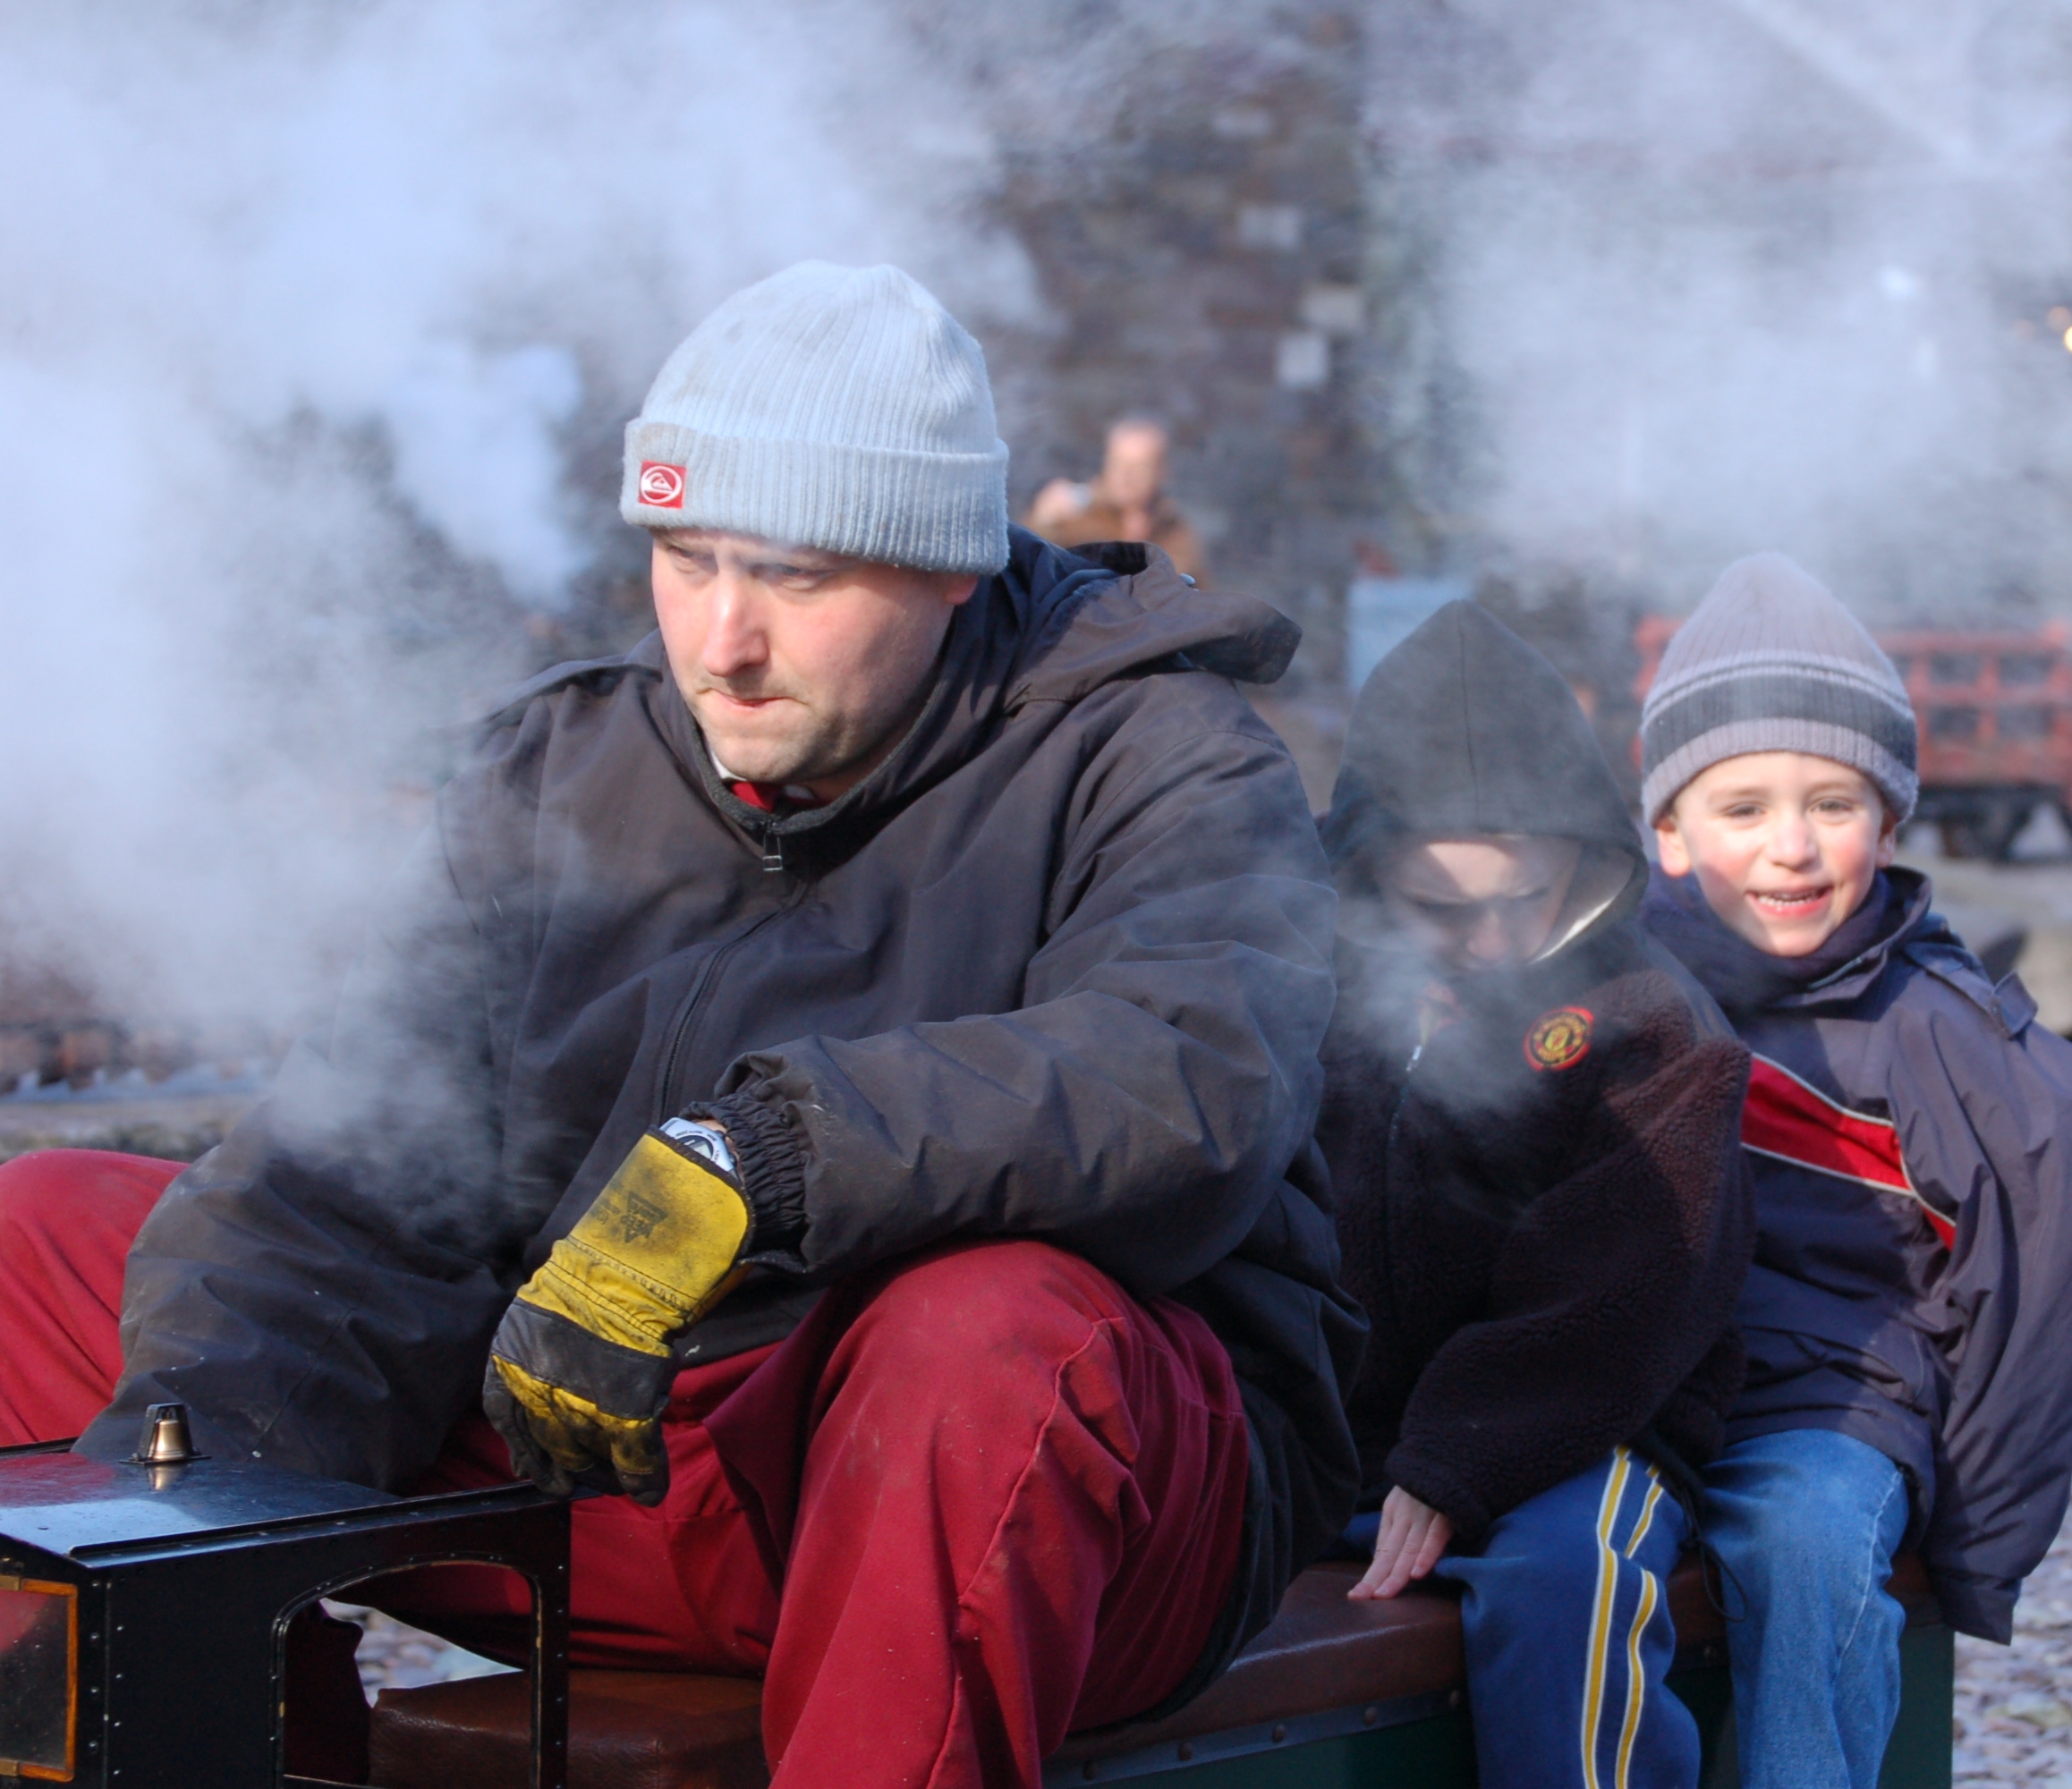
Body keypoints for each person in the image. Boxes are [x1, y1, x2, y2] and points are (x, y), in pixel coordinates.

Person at [0, 262, 1363, 1789]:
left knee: (990, 1332)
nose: (720, 642)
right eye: (686, 557)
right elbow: (361, 1181)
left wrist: (762, 1158)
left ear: (949, 566)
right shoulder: (557, 767)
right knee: (40, 1235)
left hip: (1022, 1509)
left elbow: (1193, 1080)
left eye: (790, 577)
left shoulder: (1163, 754)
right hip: (604, 1444)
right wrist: (184, 1496)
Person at [1636, 554, 2072, 1789]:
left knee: (1805, 1538)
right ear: (1669, 834)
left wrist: (1976, 1555)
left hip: (1828, 1403)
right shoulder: (1611, 995)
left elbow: (2030, 1306)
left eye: (1833, 804)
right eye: (1742, 809)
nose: (1791, 847)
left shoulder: (1949, 1037)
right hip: (1621, 1381)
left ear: (1889, 822)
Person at [1314, 599, 1754, 1789]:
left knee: (1571, 1580)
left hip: (1585, 1425)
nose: (1496, 945)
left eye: (1527, 898)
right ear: (1361, 878)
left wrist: (1453, 1458)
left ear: (1589, 858)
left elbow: (1627, 1292)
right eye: (1441, 911)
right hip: (1342, 1422)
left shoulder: (1653, 1028)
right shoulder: (1309, 999)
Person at [1023, 414, 1210, 587]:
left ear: (1161, 472)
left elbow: (1200, 601)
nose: (1125, 476)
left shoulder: (1175, 531)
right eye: (1118, 463)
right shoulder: (1072, 515)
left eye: (1139, 467)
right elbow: (1023, 571)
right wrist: (1042, 523)